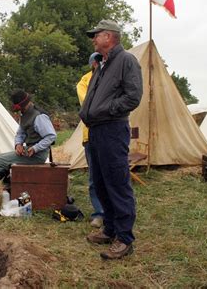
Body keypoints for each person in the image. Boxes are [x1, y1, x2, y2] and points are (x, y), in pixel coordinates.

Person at [79, 20, 143, 259]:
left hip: (112, 129)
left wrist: (106, 110)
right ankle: (110, 228)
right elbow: (93, 97)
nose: (93, 39)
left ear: (109, 36)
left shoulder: (126, 60)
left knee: (117, 182)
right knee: (101, 181)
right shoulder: (102, 64)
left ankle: (124, 239)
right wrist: (89, 113)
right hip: (95, 130)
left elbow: (133, 97)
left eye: (96, 35)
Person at [0, 89, 56, 185]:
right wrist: (18, 144)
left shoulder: (39, 116)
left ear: (28, 103)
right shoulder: (25, 114)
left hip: (38, 155)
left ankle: (1, 189)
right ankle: (9, 187)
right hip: (29, 150)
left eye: (22, 108)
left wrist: (35, 148)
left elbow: (51, 136)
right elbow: (20, 133)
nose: (20, 110)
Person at [76, 52, 104, 229]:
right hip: (92, 134)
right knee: (95, 176)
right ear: (93, 63)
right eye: (98, 60)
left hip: (111, 134)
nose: (101, 63)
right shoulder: (84, 81)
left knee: (112, 175)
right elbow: (89, 105)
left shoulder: (112, 76)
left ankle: (114, 212)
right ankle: (99, 213)